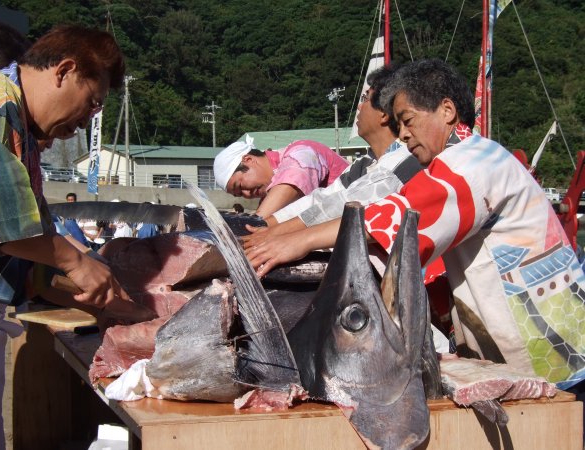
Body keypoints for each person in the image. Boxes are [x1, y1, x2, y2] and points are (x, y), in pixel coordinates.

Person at [246, 59, 585, 389]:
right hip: (529, 346)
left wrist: (299, 242)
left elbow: (398, 214)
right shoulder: (463, 159)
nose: (404, 135)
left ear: (447, 111)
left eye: (408, 120)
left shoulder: (473, 164)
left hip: (550, 352)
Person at [0, 25, 128, 448]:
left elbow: (31, 249)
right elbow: (0, 217)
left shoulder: (21, 130)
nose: (88, 119)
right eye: (93, 102)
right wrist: (76, 261)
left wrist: (108, 302)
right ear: (64, 71)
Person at [242, 65, 421, 252]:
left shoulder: (406, 161)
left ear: (384, 114)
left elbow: (344, 204)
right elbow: (321, 199)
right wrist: (263, 226)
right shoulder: (365, 162)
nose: (359, 106)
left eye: (365, 99)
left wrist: (271, 232)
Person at [213, 135, 349, 218]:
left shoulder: (300, 151)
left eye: (241, 186)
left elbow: (293, 179)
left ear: (248, 160)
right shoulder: (268, 197)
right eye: (240, 195)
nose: (247, 194)